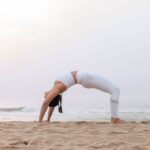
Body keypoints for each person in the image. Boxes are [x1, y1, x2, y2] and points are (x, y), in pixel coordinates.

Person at [39, 71, 123, 124]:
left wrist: (48, 120)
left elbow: (51, 106)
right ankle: (115, 119)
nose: (45, 97)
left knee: (115, 90)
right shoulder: (57, 89)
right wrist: (40, 121)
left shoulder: (57, 90)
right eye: (47, 98)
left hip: (84, 78)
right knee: (116, 90)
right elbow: (46, 103)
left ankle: (114, 118)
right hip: (84, 77)